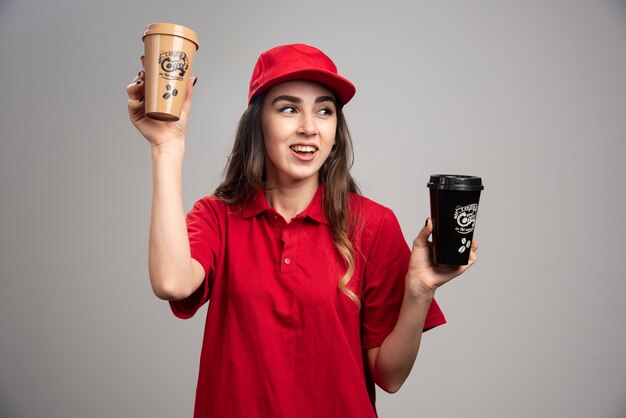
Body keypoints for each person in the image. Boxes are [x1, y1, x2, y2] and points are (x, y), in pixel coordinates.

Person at [127, 43, 478, 418]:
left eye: (324, 111)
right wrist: (167, 145)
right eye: (289, 108)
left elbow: (390, 376)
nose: (309, 127)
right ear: (258, 122)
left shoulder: (372, 225)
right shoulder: (218, 217)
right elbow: (171, 283)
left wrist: (419, 290)